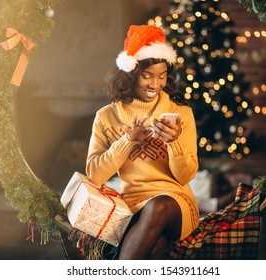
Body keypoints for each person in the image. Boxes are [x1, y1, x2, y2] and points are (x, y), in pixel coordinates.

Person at [85, 24, 200, 259]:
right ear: (131, 74)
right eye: (147, 76)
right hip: (132, 204)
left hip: (174, 205)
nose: (155, 85)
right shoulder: (106, 116)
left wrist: (174, 142)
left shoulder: (181, 114)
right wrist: (127, 140)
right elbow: (94, 175)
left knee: (157, 207)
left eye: (162, 76)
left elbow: (185, 176)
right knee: (155, 246)